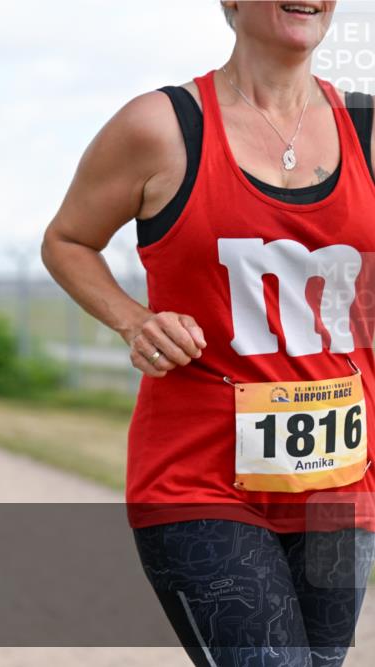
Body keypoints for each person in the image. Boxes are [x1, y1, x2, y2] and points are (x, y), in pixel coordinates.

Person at [41, 3, 375, 665]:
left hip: (341, 485)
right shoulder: (160, 127)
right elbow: (68, 240)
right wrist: (134, 318)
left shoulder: (367, 128)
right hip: (200, 481)